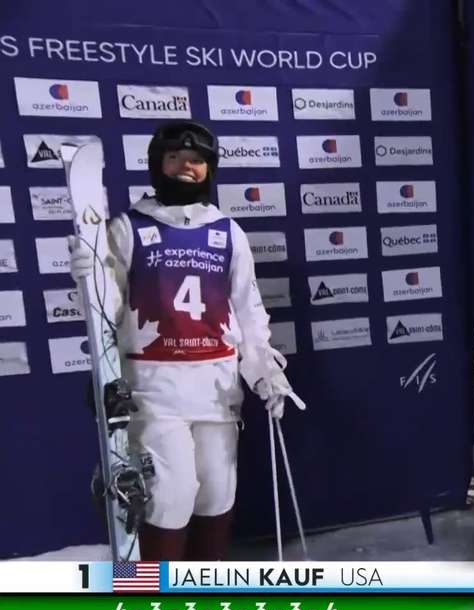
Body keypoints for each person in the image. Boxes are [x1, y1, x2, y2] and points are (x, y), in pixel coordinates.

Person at [68, 120, 300, 563]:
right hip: (155, 391)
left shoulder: (228, 232)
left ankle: (204, 589)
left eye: (195, 161)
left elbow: (248, 312)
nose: (185, 168)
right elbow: (107, 311)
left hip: (217, 389)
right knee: (169, 497)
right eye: (174, 158)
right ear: (158, 165)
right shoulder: (128, 228)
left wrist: (265, 372)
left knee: (217, 493)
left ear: (209, 169)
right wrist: (90, 277)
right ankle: (147, 594)